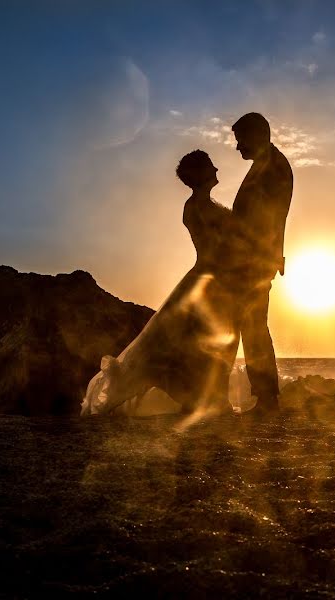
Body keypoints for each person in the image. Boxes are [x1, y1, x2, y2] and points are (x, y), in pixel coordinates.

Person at [81, 150, 240, 416]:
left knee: (207, 344)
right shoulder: (197, 208)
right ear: (202, 172)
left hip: (212, 278)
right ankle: (207, 399)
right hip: (211, 281)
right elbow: (218, 247)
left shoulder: (204, 205)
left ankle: (209, 398)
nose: (216, 169)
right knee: (210, 342)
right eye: (211, 166)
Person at [229, 113, 293, 415]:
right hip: (251, 259)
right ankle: (265, 396)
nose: (237, 147)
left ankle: (267, 397)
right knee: (251, 327)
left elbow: (268, 218)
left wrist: (259, 258)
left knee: (253, 328)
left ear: (257, 135)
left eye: (240, 140)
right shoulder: (265, 165)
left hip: (253, 261)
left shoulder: (273, 168)